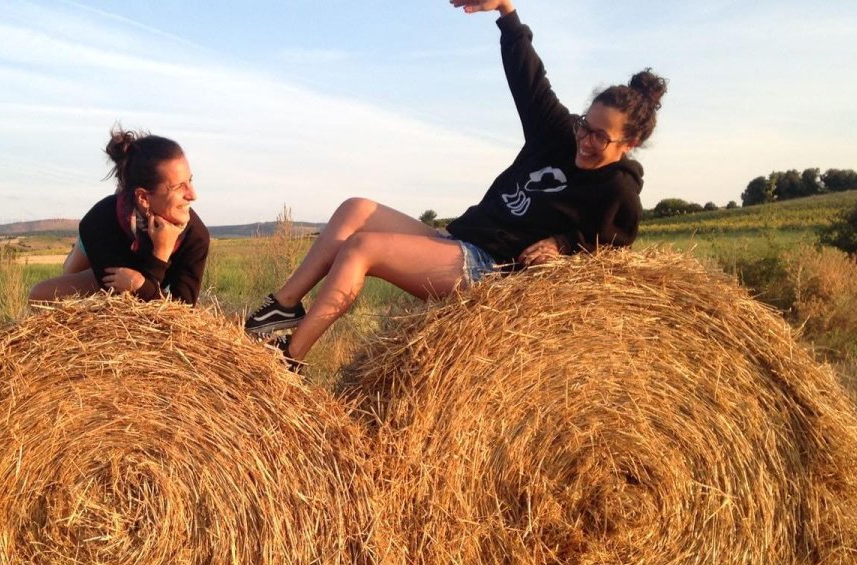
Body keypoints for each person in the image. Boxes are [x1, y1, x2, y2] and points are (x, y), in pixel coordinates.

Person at [244, 0, 666, 368]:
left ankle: (290, 359)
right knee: (356, 209)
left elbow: (612, 251)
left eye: (600, 137)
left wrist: (565, 242)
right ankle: (280, 308)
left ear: (630, 143)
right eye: (584, 126)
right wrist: (506, 11)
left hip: (489, 270)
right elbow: (529, 76)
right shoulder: (557, 134)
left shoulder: (618, 190)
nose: (585, 141)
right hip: (459, 240)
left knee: (361, 249)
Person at [29, 127, 209, 305]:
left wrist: (159, 255)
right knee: (43, 293)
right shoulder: (99, 221)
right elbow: (121, 301)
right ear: (143, 197)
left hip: (146, 279)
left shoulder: (196, 236)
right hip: (110, 252)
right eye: (178, 187)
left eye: (190, 181)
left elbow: (182, 311)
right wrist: (153, 265)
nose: (193, 195)